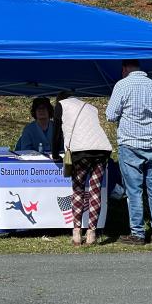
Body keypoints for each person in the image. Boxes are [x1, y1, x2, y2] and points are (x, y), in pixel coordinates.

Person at [106, 59, 152, 245]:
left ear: (124, 68)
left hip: (130, 144)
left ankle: (138, 233)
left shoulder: (122, 85)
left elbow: (110, 115)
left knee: (134, 191)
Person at [52, 91, 112, 246]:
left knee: (78, 190)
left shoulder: (61, 105)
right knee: (95, 190)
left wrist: (54, 154)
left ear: (60, 99)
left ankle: (77, 232)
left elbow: (56, 132)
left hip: (80, 152)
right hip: (102, 150)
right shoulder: (90, 107)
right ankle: (92, 233)